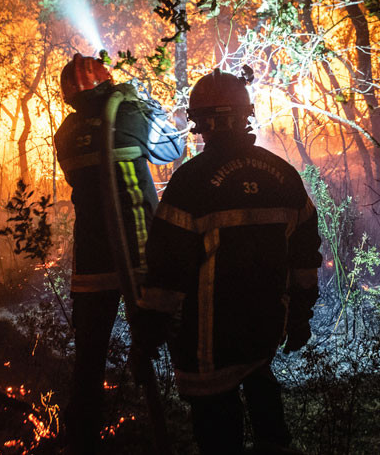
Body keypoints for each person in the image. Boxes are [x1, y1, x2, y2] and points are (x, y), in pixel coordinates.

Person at [137, 69, 322, 454]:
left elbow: (167, 272)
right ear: (246, 115)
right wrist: (301, 314)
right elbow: (304, 258)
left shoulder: (189, 183)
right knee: (265, 406)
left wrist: (147, 336)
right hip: (264, 330)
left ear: (199, 123)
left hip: (209, 342)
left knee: (219, 434)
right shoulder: (285, 177)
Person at [53, 53, 185, 454]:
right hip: (141, 257)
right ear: (107, 83)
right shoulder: (129, 115)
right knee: (172, 338)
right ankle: (183, 426)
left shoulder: (66, 133)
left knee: (88, 363)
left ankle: (82, 441)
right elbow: (173, 148)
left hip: (92, 264)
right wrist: (143, 101)